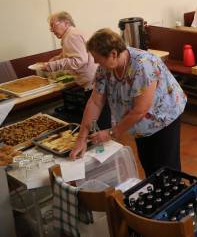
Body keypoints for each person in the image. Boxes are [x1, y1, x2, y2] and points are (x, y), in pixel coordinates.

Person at [70, 29, 187, 177]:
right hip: (139, 122)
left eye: (98, 58)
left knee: (166, 168)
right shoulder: (104, 68)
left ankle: (176, 197)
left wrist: (112, 132)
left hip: (163, 116)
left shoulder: (143, 65)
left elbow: (140, 109)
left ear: (113, 54)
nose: (95, 62)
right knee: (148, 163)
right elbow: (95, 102)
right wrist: (81, 138)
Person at [43, 12, 110, 128]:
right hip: (96, 80)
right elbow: (72, 53)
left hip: (93, 82)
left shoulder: (71, 36)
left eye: (53, 25)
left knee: (100, 121)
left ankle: (106, 142)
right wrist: (56, 59)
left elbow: (79, 60)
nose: (51, 29)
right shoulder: (72, 33)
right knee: (102, 117)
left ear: (66, 23)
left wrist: (53, 66)